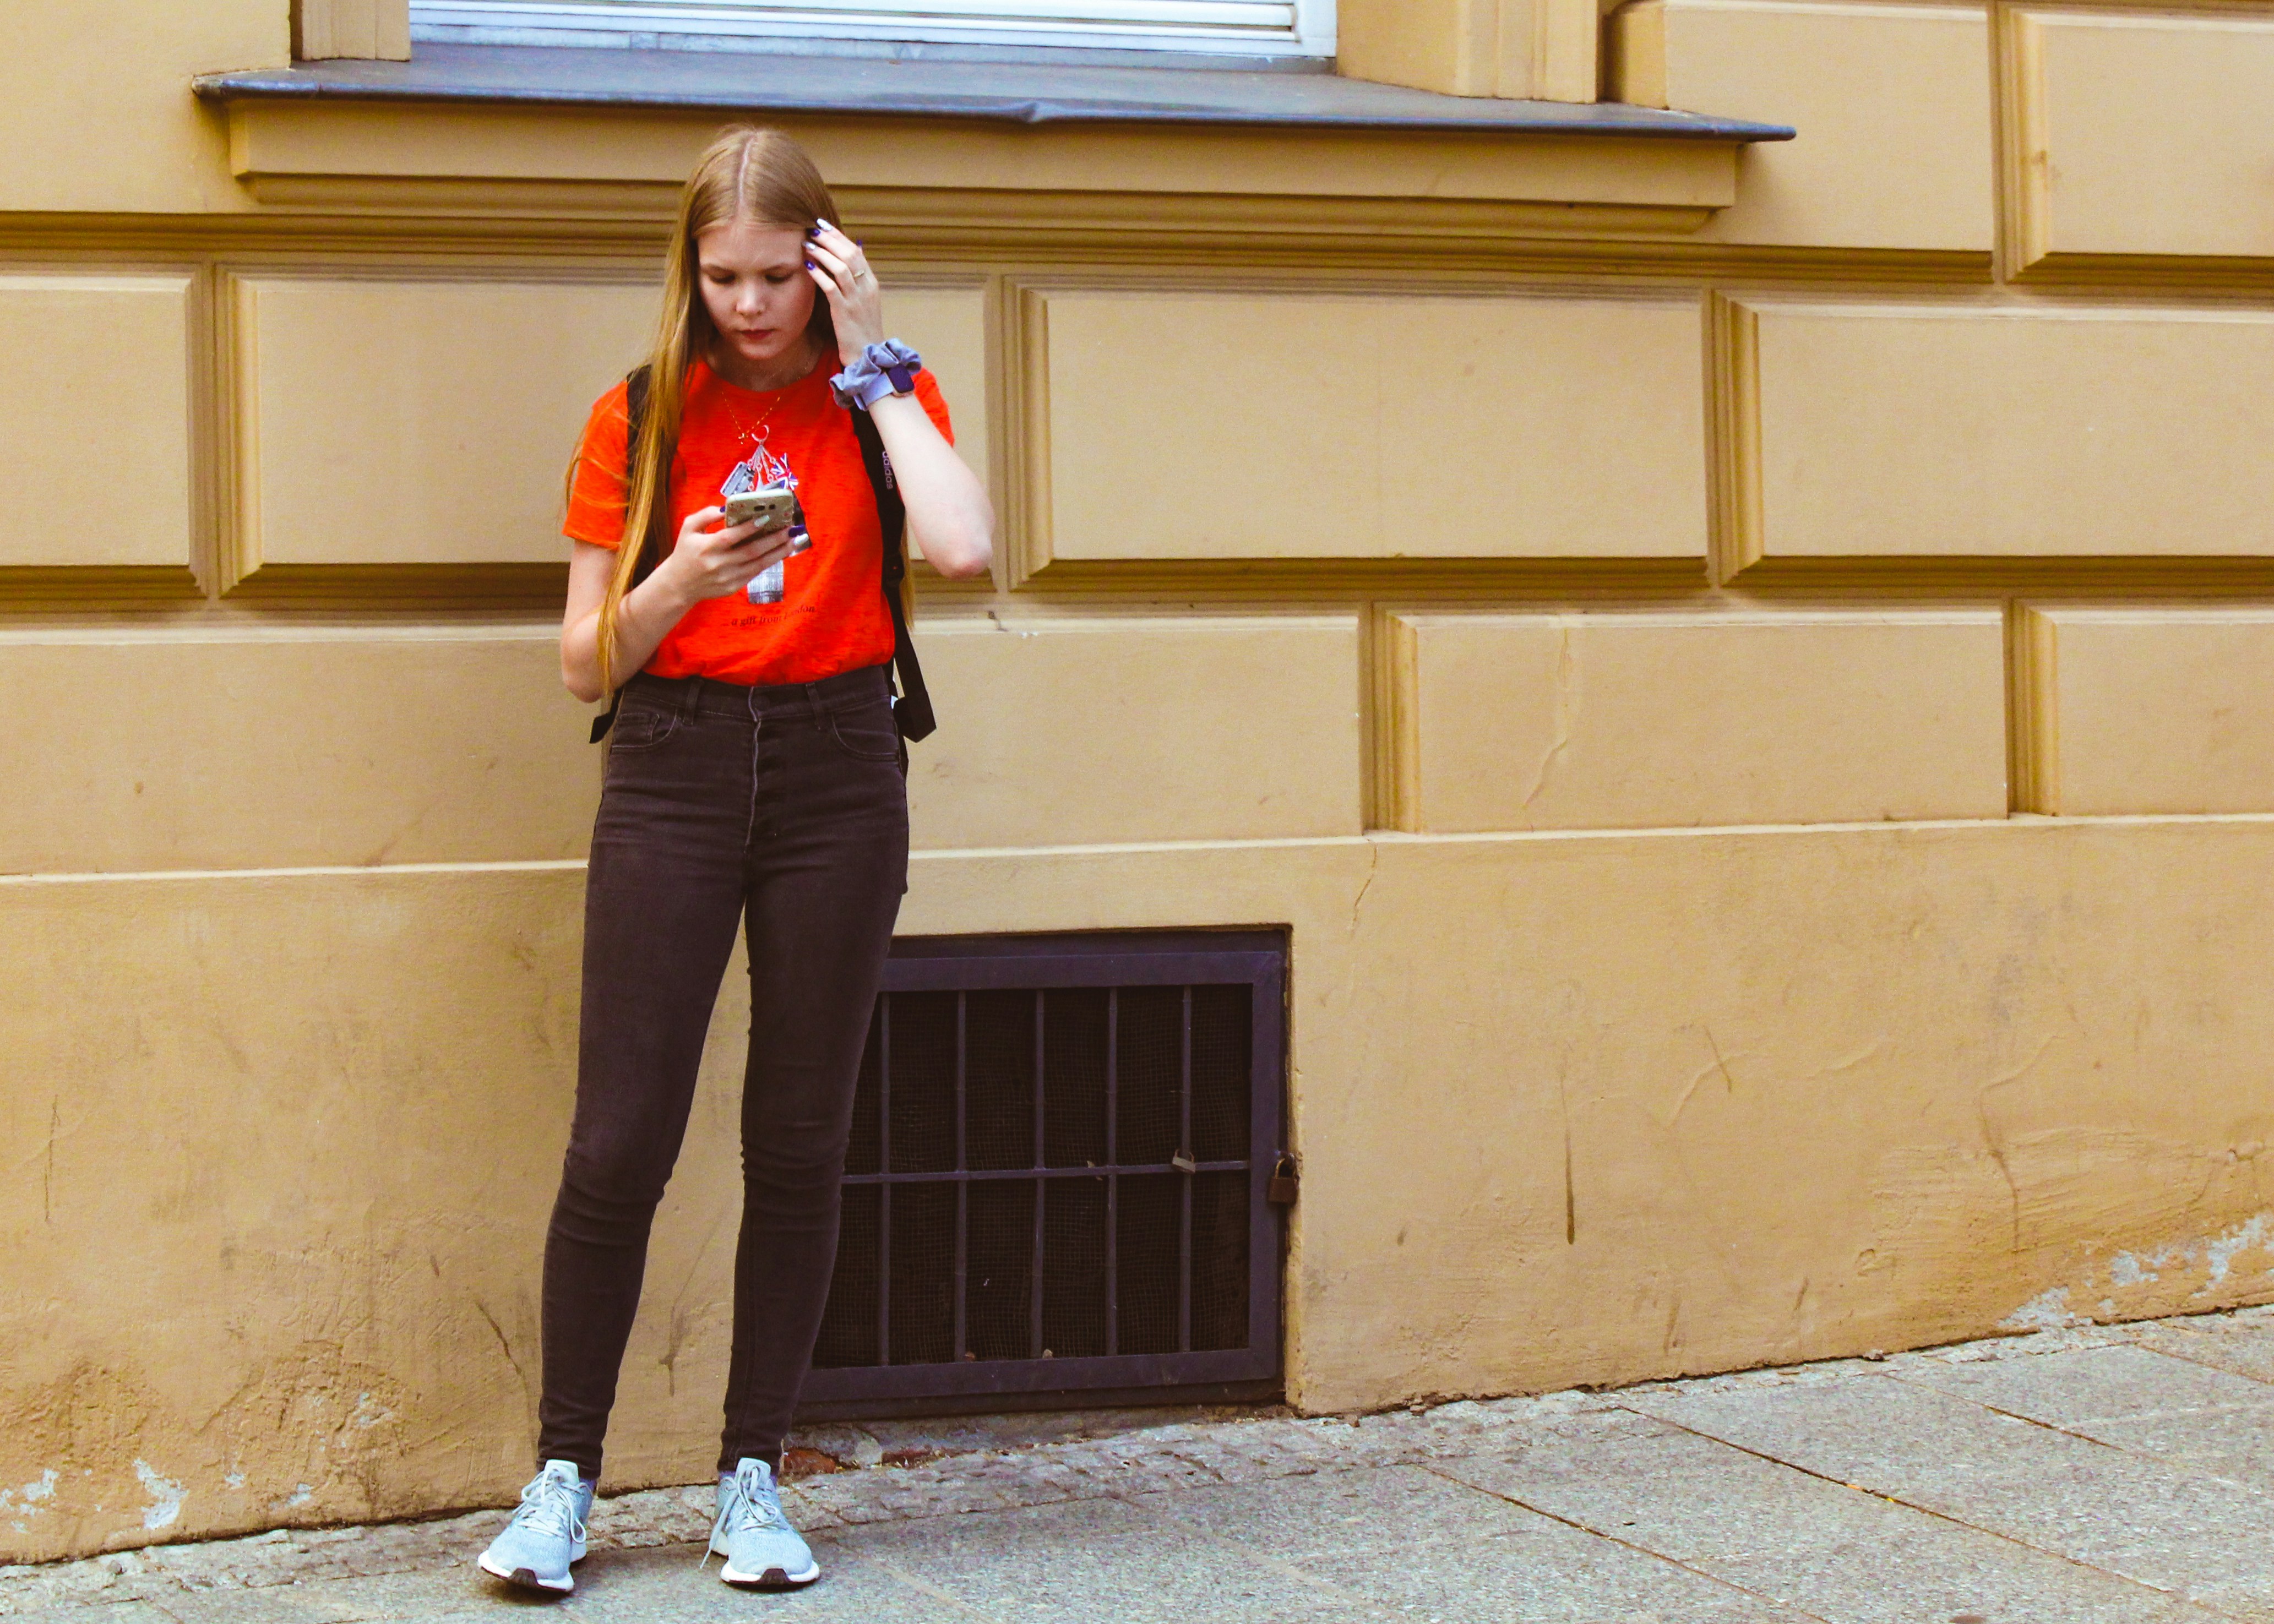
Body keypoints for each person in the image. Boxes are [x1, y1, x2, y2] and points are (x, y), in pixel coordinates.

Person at [476, 126, 993, 1596]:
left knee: (799, 1135)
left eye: (779, 273)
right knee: (618, 1138)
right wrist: (679, 579)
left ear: (825, 264)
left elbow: (959, 550)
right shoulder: (639, 414)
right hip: (673, 769)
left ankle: (752, 1477)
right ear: (688, 274)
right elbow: (585, 665)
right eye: (725, 277)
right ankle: (562, 1478)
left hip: (839, 770)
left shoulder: (879, 395)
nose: (751, 303)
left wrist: (878, 358)